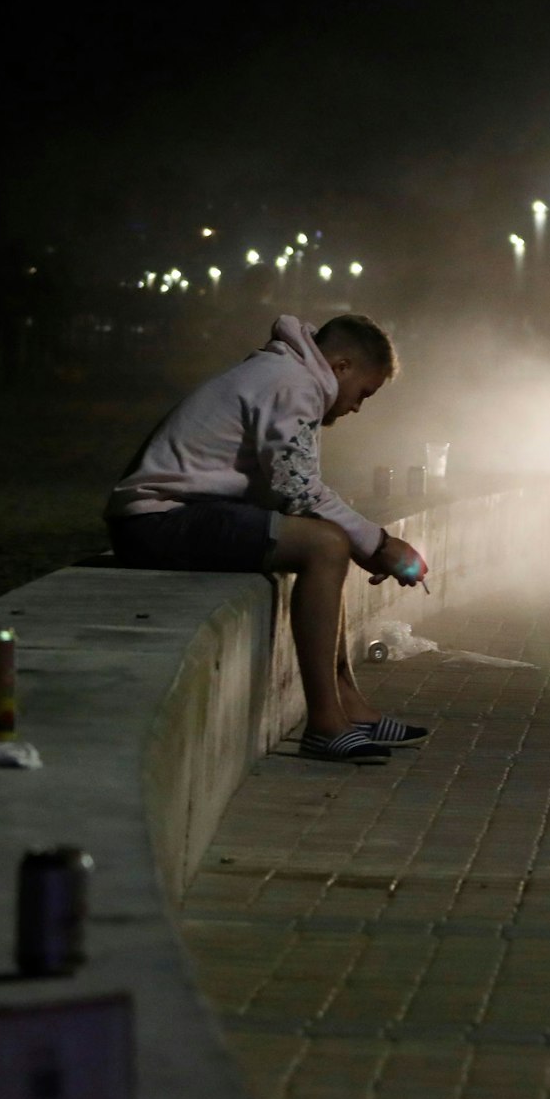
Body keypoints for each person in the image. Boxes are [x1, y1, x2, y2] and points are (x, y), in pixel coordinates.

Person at [106, 313, 431, 762]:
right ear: (340, 367)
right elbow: (297, 489)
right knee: (326, 545)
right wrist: (378, 543)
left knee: (330, 539)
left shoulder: (286, 374)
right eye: (363, 394)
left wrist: (366, 545)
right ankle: (325, 723)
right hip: (157, 522)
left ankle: (348, 704)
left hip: (177, 515)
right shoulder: (291, 383)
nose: (357, 407)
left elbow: (288, 488)